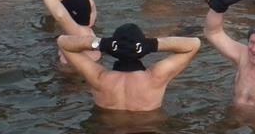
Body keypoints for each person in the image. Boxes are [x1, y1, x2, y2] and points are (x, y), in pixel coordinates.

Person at [57, 23, 201, 112]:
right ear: (141, 48)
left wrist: (102, 44)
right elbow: (194, 44)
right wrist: (151, 45)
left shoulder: (98, 78)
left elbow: (63, 43)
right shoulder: (155, 78)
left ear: (113, 48)